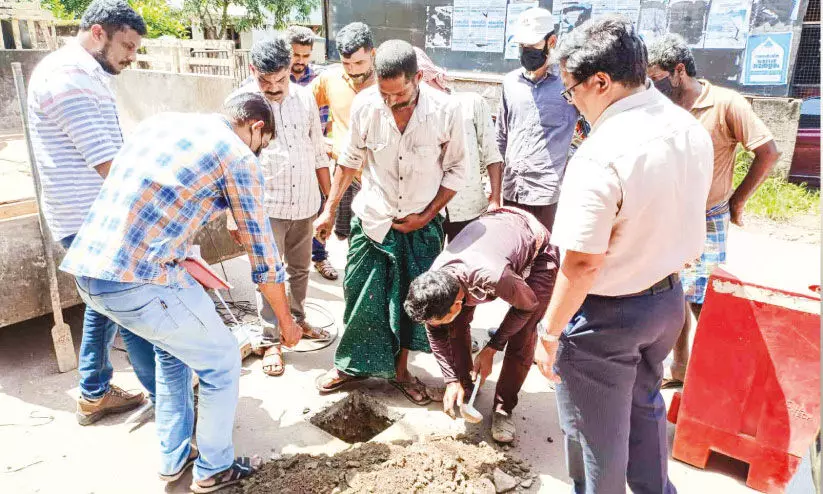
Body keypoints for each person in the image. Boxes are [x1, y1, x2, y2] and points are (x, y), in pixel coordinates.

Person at [60, 92, 302, 492]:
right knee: (222, 360)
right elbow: (264, 258)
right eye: (263, 143)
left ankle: (174, 458)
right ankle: (214, 468)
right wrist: (287, 322)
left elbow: (152, 201)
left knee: (172, 351)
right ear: (256, 127)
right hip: (140, 281)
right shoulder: (238, 156)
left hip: (89, 271)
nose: (259, 151)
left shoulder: (161, 123)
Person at [534, 17, 713, 493]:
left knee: (596, 440)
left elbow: (582, 263)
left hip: (607, 318)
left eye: (571, 89)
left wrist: (549, 333)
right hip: (666, 303)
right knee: (644, 408)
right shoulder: (686, 126)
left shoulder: (601, 154)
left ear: (601, 82)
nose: (571, 100)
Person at [313, 39, 466, 405]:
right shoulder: (367, 104)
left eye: (400, 94)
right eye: (385, 93)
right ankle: (351, 367)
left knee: (411, 305)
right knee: (360, 297)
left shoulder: (446, 110)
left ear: (418, 78)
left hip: (421, 226)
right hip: (372, 219)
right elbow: (349, 160)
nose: (391, 101)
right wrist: (330, 209)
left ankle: (400, 372)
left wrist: (425, 216)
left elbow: (458, 170)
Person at [26, 0, 156, 426]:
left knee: (103, 304)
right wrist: (158, 209)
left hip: (93, 215)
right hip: (91, 221)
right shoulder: (69, 77)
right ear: (99, 32)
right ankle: (170, 404)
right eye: (127, 46)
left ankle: (94, 393)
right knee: (134, 309)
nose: (131, 57)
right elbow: (108, 163)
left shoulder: (87, 72)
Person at [647, 34, 780, 389]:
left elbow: (768, 152)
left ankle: (716, 379)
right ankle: (679, 367)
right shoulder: (659, 106)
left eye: (656, 77)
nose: (652, 85)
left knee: (701, 297)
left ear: (678, 71)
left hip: (707, 218)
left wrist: (738, 201)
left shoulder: (725, 103)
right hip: (666, 217)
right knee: (672, 291)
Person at [405, 207, 557, 443]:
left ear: (457, 303)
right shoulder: (437, 280)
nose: (433, 325)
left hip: (537, 250)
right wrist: (451, 379)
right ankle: (464, 386)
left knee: (522, 335)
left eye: (440, 318)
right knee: (454, 327)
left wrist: (492, 348)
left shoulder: (493, 277)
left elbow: (527, 306)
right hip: (497, 235)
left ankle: (503, 408)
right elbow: (435, 330)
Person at [228, 36, 332, 377]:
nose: (273, 88)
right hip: (266, 206)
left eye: (281, 79)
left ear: (291, 69)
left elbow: (318, 151)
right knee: (267, 272)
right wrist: (232, 215)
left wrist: (329, 203)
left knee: (300, 270)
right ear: (252, 70)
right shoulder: (240, 105)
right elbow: (230, 163)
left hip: (305, 202)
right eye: (265, 81)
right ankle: (270, 338)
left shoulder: (305, 98)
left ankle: (297, 323)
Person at [496, 7, 579, 232]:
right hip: (512, 189)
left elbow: (591, 130)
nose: (526, 52)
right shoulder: (510, 83)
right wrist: (495, 190)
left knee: (543, 251)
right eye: (522, 46)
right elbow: (501, 137)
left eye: (532, 46)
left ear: (551, 42)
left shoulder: (569, 84)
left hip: (547, 194)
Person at [413, 47, 504, 241]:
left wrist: (495, 199)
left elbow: (492, 155)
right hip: (428, 212)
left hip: (468, 207)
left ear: (426, 77)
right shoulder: (414, 114)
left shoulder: (471, 103)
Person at [311, 22, 377, 241]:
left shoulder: (388, 83)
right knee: (346, 237)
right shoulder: (330, 79)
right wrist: (318, 142)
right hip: (344, 175)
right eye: (346, 63)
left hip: (377, 177)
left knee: (371, 238)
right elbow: (300, 105)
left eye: (359, 62)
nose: (353, 69)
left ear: (373, 54)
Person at [286, 24, 337, 281]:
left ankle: (319, 256)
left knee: (319, 207)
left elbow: (334, 116)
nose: (301, 61)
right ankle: (285, 262)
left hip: (317, 158)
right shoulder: (275, 79)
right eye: (296, 55)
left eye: (306, 56)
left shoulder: (320, 80)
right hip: (286, 160)